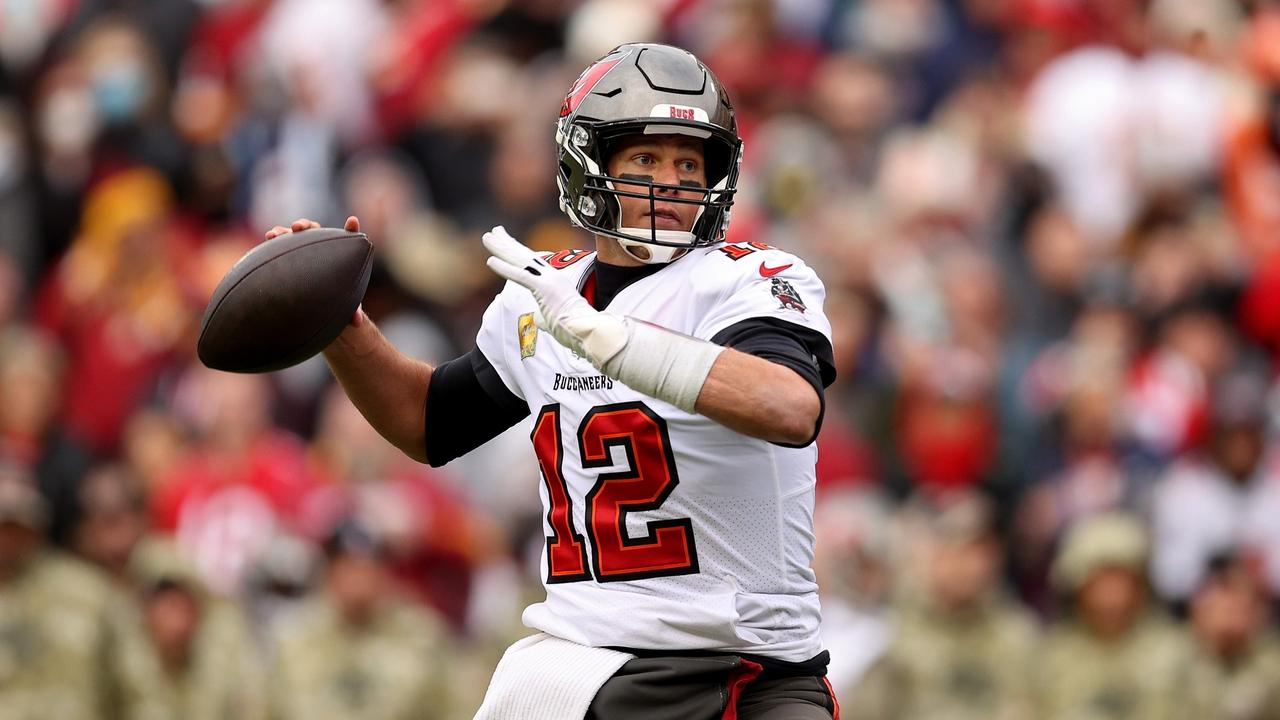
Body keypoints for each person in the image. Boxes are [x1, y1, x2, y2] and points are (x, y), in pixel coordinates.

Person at [267, 43, 838, 719]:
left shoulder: (748, 279)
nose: (673, 181)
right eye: (647, 159)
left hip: (744, 668)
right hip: (585, 662)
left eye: (689, 162)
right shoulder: (543, 293)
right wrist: (343, 329)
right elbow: (427, 422)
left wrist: (618, 342)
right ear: (589, 163)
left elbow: (789, 405)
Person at [845, 494, 1038, 720]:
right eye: (954, 552)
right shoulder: (893, 634)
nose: (968, 565)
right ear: (932, 558)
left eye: (978, 552)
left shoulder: (1019, 634)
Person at [1038, 512, 1193, 720]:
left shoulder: (1177, 654)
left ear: (1141, 587)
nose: (1110, 596)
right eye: (1098, 582)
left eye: (1120, 580)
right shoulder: (1049, 658)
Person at [1184, 555, 1280, 720]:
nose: (1231, 618)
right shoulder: (1169, 659)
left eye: (1242, 608)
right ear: (1198, 609)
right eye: (1223, 607)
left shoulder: (1272, 669)